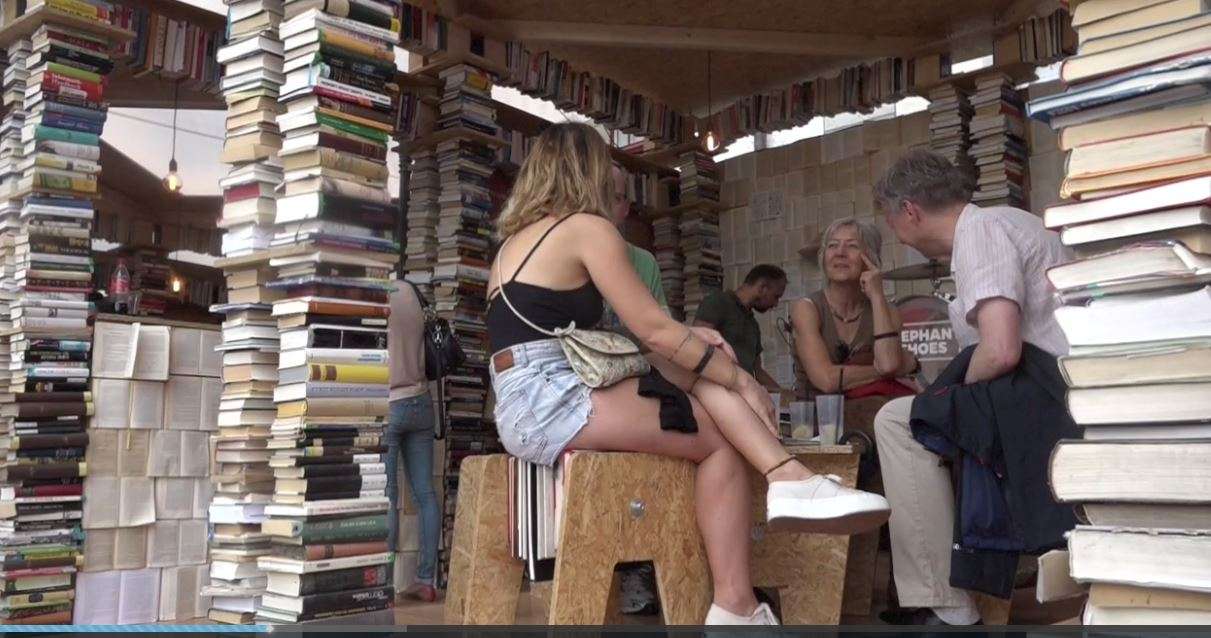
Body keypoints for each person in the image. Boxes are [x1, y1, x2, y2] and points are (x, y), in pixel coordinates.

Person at [485, 122, 890, 626]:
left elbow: (621, 334)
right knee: (720, 442)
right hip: (551, 396)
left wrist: (696, 345)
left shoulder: (514, 243)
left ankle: (788, 481)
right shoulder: (586, 228)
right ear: (586, 171)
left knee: (693, 377)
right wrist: (740, 378)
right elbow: (653, 329)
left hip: (523, 397)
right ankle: (740, 597)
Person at [871, 149, 1072, 625]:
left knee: (899, 421)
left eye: (890, 220)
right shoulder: (1004, 223)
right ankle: (969, 576)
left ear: (910, 211)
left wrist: (949, 395)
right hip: (1055, 387)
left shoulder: (980, 231)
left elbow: (1000, 350)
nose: (895, 232)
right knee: (931, 414)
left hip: (1048, 394)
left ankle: (950, 608)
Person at [789, 217, 919, 398]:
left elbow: (888, 363)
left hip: (870, 411)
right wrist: (893, 369)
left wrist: (877, 296)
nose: (840, 253)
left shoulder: (888, 312)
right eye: (832, 245)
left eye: (852, 246)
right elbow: (826, 380)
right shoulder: (806, 309)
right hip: (816, 412)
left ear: (870, 258)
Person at [386, 280, 440, 603]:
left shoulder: (374, 296)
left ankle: (384, 584)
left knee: (388, 494)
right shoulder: (411, 291)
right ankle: (425, 580)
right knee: (425, 494)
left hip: (390, 403)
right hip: (421, 400)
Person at [693, 265, 788, 392]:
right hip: (715, 391)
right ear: (762, 287)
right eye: (776, 296)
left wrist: (785, 393)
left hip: (742, 392)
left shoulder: (753, 325)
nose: (776, 304)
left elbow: (757, 371)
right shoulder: (717, 302)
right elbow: (698, 348)